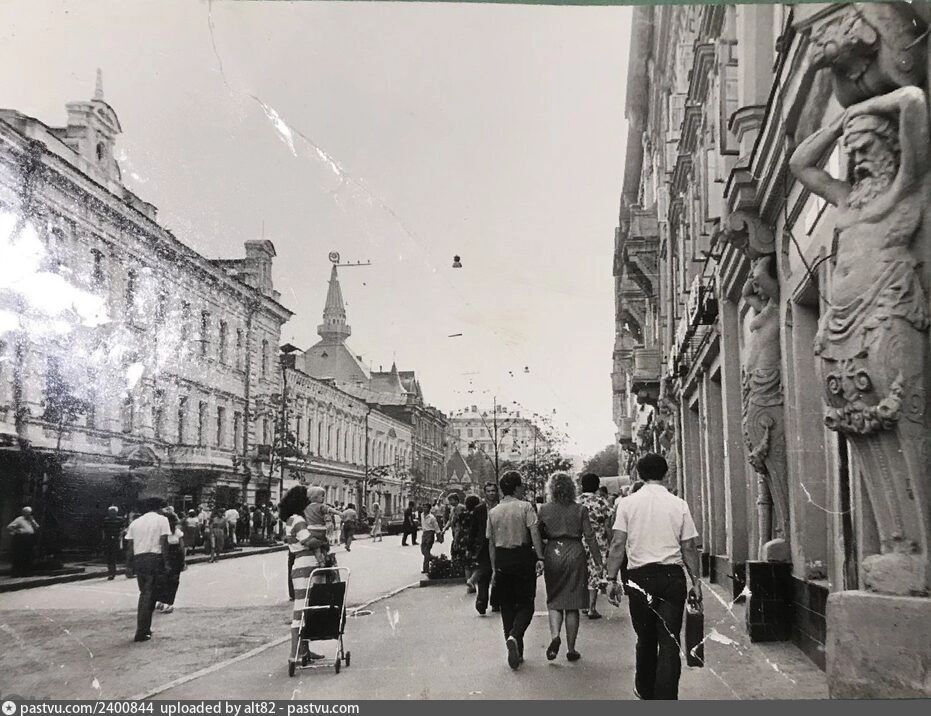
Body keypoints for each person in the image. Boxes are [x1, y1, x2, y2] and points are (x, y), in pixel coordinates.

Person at [605, 453, 701, 700]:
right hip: (672, 577)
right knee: (669, 641)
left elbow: (617, 544)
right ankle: (667, 698)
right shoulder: (679, 504)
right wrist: (696, 582)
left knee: (645, 638)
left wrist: (611, 579)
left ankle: (645, 690)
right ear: (666, 474)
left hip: (639, 579)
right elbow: (689, 547)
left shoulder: (627, 504)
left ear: (638, 475)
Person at [538, 472, 603, 663]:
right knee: (572, 604)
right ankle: (571, 649)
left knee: (555, 599)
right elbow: (590, 537)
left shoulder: (544, 509)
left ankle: (555, 636)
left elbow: (539, 535)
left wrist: (539, 556)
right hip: (575, 551)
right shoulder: (580, 509)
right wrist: (599, 562)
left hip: (553, 551)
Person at [486, 470, 545, 670]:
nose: (523, 489)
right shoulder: (525, 507)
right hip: (522, 557)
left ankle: (515, 649)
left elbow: (491, 544)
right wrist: (540, 556)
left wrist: (494, 568)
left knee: (507, 605)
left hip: (502, 559)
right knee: (526, 603)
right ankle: (514, 636)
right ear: (517, 487)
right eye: (521, 485)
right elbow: (534, 532)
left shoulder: (493, 512)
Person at [281, 485, 327, 665]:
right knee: (300, 610)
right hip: (304, 566)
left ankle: (305, 650)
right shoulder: (297, 520)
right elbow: (308, 541)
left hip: (306, 565)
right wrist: (322, 541)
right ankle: (296, 653)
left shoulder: (295, 519)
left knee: (307, 609)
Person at [124, 497, 170, 642]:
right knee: (148, 595)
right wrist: (167, 562)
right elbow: (164, 543)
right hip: (154, 559)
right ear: (158, 508)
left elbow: (130, 547)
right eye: (162, 507)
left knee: (145, 593)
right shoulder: (162, 520)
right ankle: (142, 631)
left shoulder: (135, 523)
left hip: (139, 560)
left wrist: (128, 565)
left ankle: (145, 629)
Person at [578, 473, 614, 619]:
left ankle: (584, 605)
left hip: (579, 541)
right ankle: (592, 607)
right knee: (595, 573)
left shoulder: (576, 502)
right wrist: (611, 543)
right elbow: (608, 526)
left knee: (582, 573)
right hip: (598, 542)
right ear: (597, 485)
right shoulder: (602, 502)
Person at [468, 482, 500, 614]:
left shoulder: (501, 507)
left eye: (493, 491)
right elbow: (473, 529)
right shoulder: (479, 509)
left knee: (498, 572)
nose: (491, 493)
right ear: (484, 493)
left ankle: (496, 601)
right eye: (489, 491)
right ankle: (481, 601)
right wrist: (470, 547)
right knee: (484, 573)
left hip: (498, 544)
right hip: (484, 546)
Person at [155, 511, 186, 614]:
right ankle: (166, 603)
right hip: (171, 557)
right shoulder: (171, 533)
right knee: (170, 581)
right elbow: (180, 547)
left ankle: (164, 602)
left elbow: (181, 547)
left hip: (170, 557)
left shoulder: (172, 532)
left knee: (168, 580)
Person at [304, 487, 341, 563]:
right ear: (315, 497)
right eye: (322, 496)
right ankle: (326, 556)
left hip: (310, 530)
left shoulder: (306, 507)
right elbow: (330, 509)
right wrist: (339, 513)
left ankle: (320, 561)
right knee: (324, 544)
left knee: (316, 547)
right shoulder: (321, 506)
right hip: (321, 530)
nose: (324, 497)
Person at [6, 507, 39, 578]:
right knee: (19, 556)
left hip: (29, 538)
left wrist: (32, 521)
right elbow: (9, 527)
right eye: (27, 512)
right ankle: (16, 573)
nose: (29, 514)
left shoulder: (31, 520)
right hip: (21, 539)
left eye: (30, 512)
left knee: (28, 556)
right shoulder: (19, 519)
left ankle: (26, 573)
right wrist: (16, 532)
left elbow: (36, 527)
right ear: (23, 512)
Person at [454, 495, 480, 574]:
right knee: (477, 563)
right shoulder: (478, 515)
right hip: (475, 540)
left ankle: (469, 581)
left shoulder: (461, 515)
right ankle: (473, 580)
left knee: (467, 564)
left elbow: (457, 529)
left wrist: (455, 541)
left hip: (463, 540)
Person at [100, 506, 124, 580]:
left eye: (113, 511)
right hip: (108, 539)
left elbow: (122, 529)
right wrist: (103, 539)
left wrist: (120, 537)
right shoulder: (106, 520)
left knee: (114, 556)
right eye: (110, 511)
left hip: (116, 539)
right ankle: (111, 572)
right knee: (109, 556)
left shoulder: (120, 519)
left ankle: (113, 572)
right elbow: (103, 530)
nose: (112, 513)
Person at [420, 503, 440, 574]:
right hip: (424, 534)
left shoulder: (432, 517)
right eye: (423, 507)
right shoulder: (421, 515)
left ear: (429, 508)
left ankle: (426, 568)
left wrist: (439, 535)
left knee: (427, 550)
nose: (424, 509)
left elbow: (436, 527)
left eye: (426, 507)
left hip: (430, 533)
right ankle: (435, 559)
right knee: (423, 550)